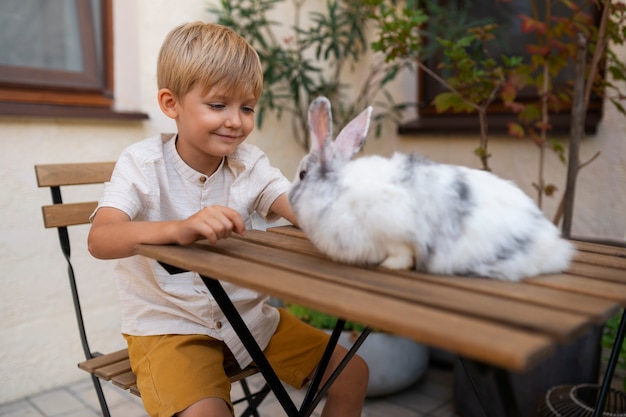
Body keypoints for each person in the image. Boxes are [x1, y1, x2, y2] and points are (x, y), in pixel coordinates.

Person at [87, 21, 368, 417]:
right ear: (171, 104)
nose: (236, 120)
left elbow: (301, 209)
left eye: (247, 107)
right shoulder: (142, 163)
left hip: (251, 320)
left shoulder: (249, 164)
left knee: (352, 373)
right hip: (170, 328)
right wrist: (180, 228)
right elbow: (101, 239)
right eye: (218, 105)